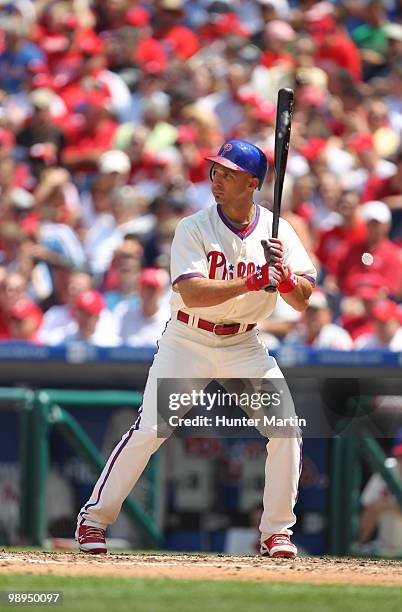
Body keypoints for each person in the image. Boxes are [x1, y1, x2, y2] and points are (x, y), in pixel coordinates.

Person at [76, 139, 316, 559]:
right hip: (188, 338)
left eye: (228, 174)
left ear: (252, 183)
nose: (216, 180)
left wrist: (285, 278)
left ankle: (276, 532)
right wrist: (255, 280)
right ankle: (94, 520)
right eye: (216, 172)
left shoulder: (279, 231)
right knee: (151, 429)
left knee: (286, 430)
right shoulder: (194, 226)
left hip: (243, 342)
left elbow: (302, 299)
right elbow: (191, 291)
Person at [359, 427, 402, 556]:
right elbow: (369, 511)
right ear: (397, 456)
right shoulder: (387, 470)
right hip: (385, 550)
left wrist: (391, 506)